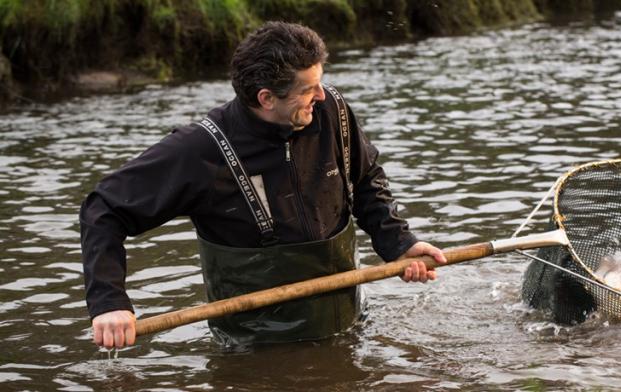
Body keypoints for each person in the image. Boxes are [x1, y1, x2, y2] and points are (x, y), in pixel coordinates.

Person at [80, 21, 446, 349]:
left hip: (345, 326)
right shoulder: (200, 151)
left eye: (320, 83)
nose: (321, 97)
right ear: (266, 98)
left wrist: (399, 244)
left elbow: (365, 178)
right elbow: (103, 209)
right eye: (308, 90)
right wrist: (109, 302)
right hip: (252, 345)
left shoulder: (330, 109)